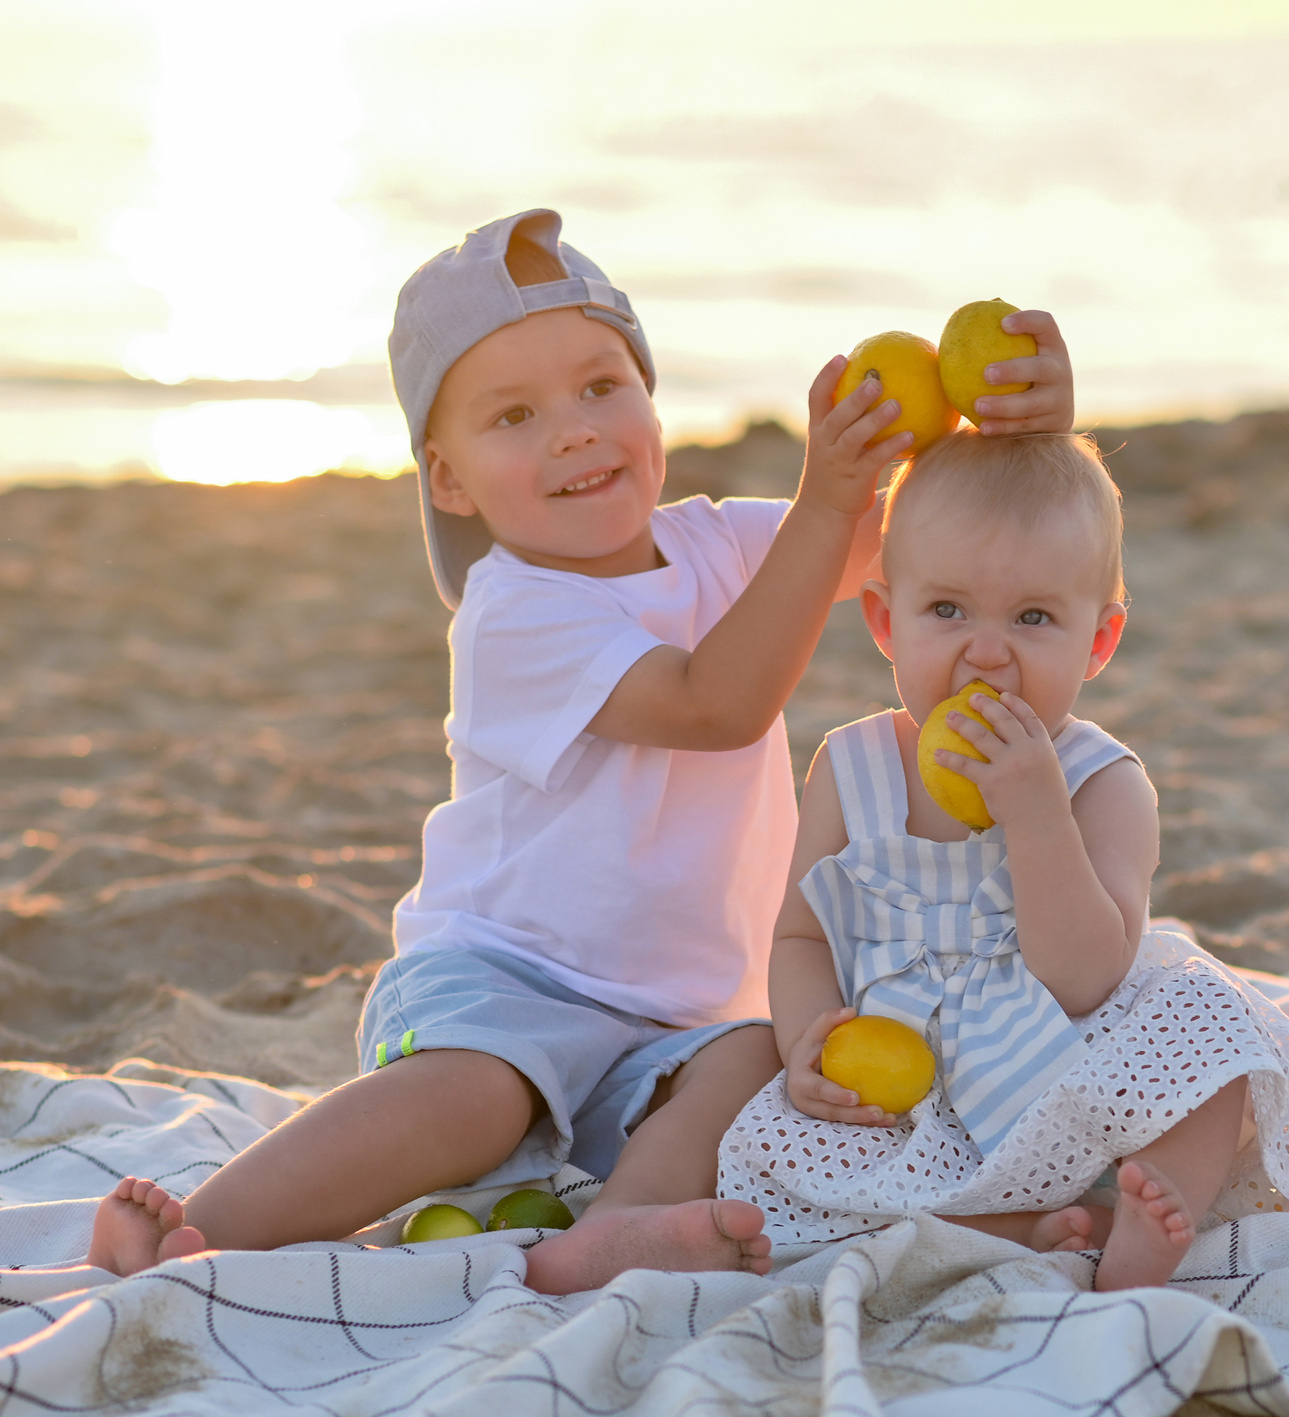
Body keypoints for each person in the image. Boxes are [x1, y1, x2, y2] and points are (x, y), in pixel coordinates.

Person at [89, 208, 1075, 1290]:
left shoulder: (721, 542)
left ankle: (620, 1227)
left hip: (673, 1022)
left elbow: (940, 555)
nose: (573, 430)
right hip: (500, 983)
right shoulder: (513, 609)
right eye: (513, 414)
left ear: (652, 401)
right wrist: (825, 497)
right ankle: (198, 1229)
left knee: (756, 1058)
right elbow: (716, 704)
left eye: (603, 386)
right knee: (478, 1095)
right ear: (449, 480)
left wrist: (1017, 434)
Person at [716, 431, 1289, 1290]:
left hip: (1067, 1073)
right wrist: (808, 1045)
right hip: (904, 1087)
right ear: (885, 622)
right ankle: (1028, 1225)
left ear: (1100, 640)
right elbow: (800, 938)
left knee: (1216, 1027)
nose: (987, 651)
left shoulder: (1101, 783)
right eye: (948, 611)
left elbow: (1088, 977)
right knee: (760, 1119)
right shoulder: (848, 767)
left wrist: (1038, 816)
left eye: (1033, 618)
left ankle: (1149, 1215)